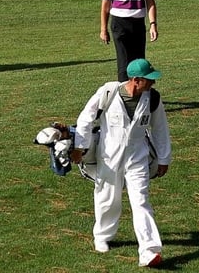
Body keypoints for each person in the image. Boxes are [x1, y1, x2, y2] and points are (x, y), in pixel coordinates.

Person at [72, 58, 171, 268]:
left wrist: (164, 158)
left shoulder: (153, 98)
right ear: (135, 80)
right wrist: (81, 147)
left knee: (141, 201)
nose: (153, 83)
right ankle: (102, 236)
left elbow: (160, 129)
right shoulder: (108, 93)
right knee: (107, 198)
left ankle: (149, 251)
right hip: (108, 156)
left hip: (138, 157)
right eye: (148, 79)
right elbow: (86, 118)